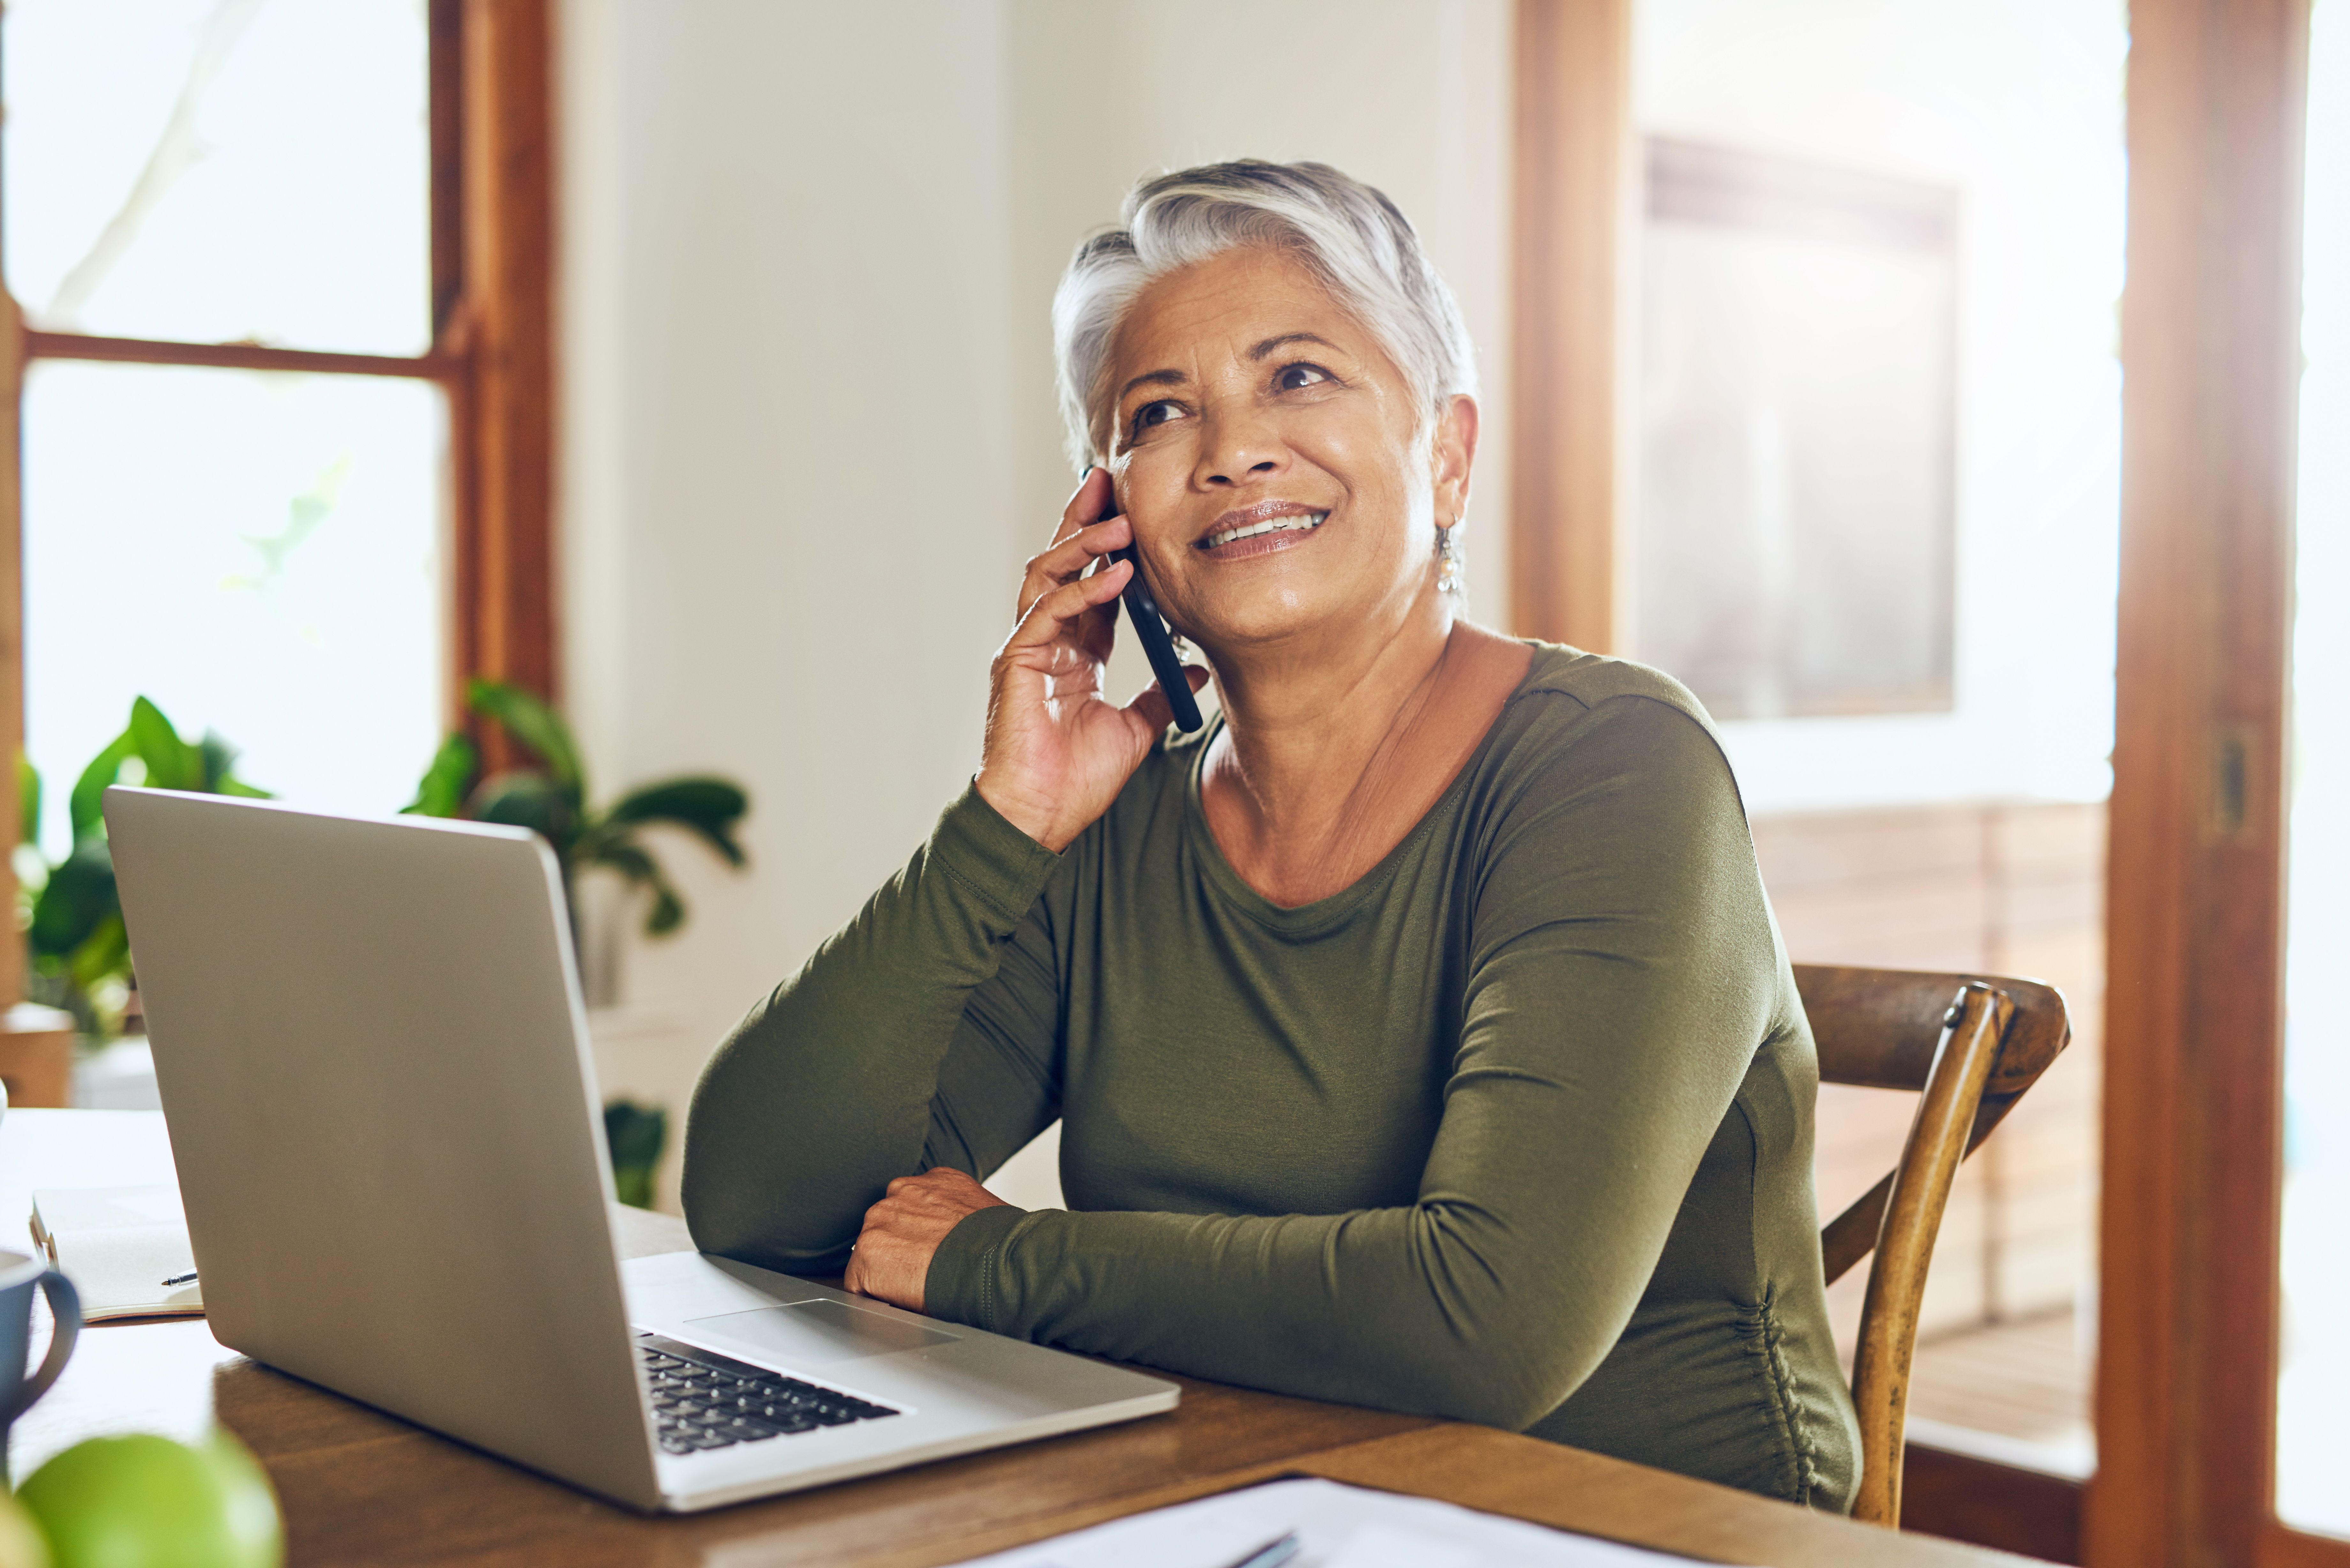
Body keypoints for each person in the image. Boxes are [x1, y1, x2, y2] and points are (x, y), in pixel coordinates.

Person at [682, 160, 1861, 1510]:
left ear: (1448, 453)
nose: (1230, 447)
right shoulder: (1121, 822)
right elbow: (765, 1204)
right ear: (1110, 518)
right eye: (1159, 411)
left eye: (1297, 376)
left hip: (1618, 1527)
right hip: (1226, 1500)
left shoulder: (1616, 766)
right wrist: (1005, 822)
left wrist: (987, 1261)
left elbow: (1487, 1320)